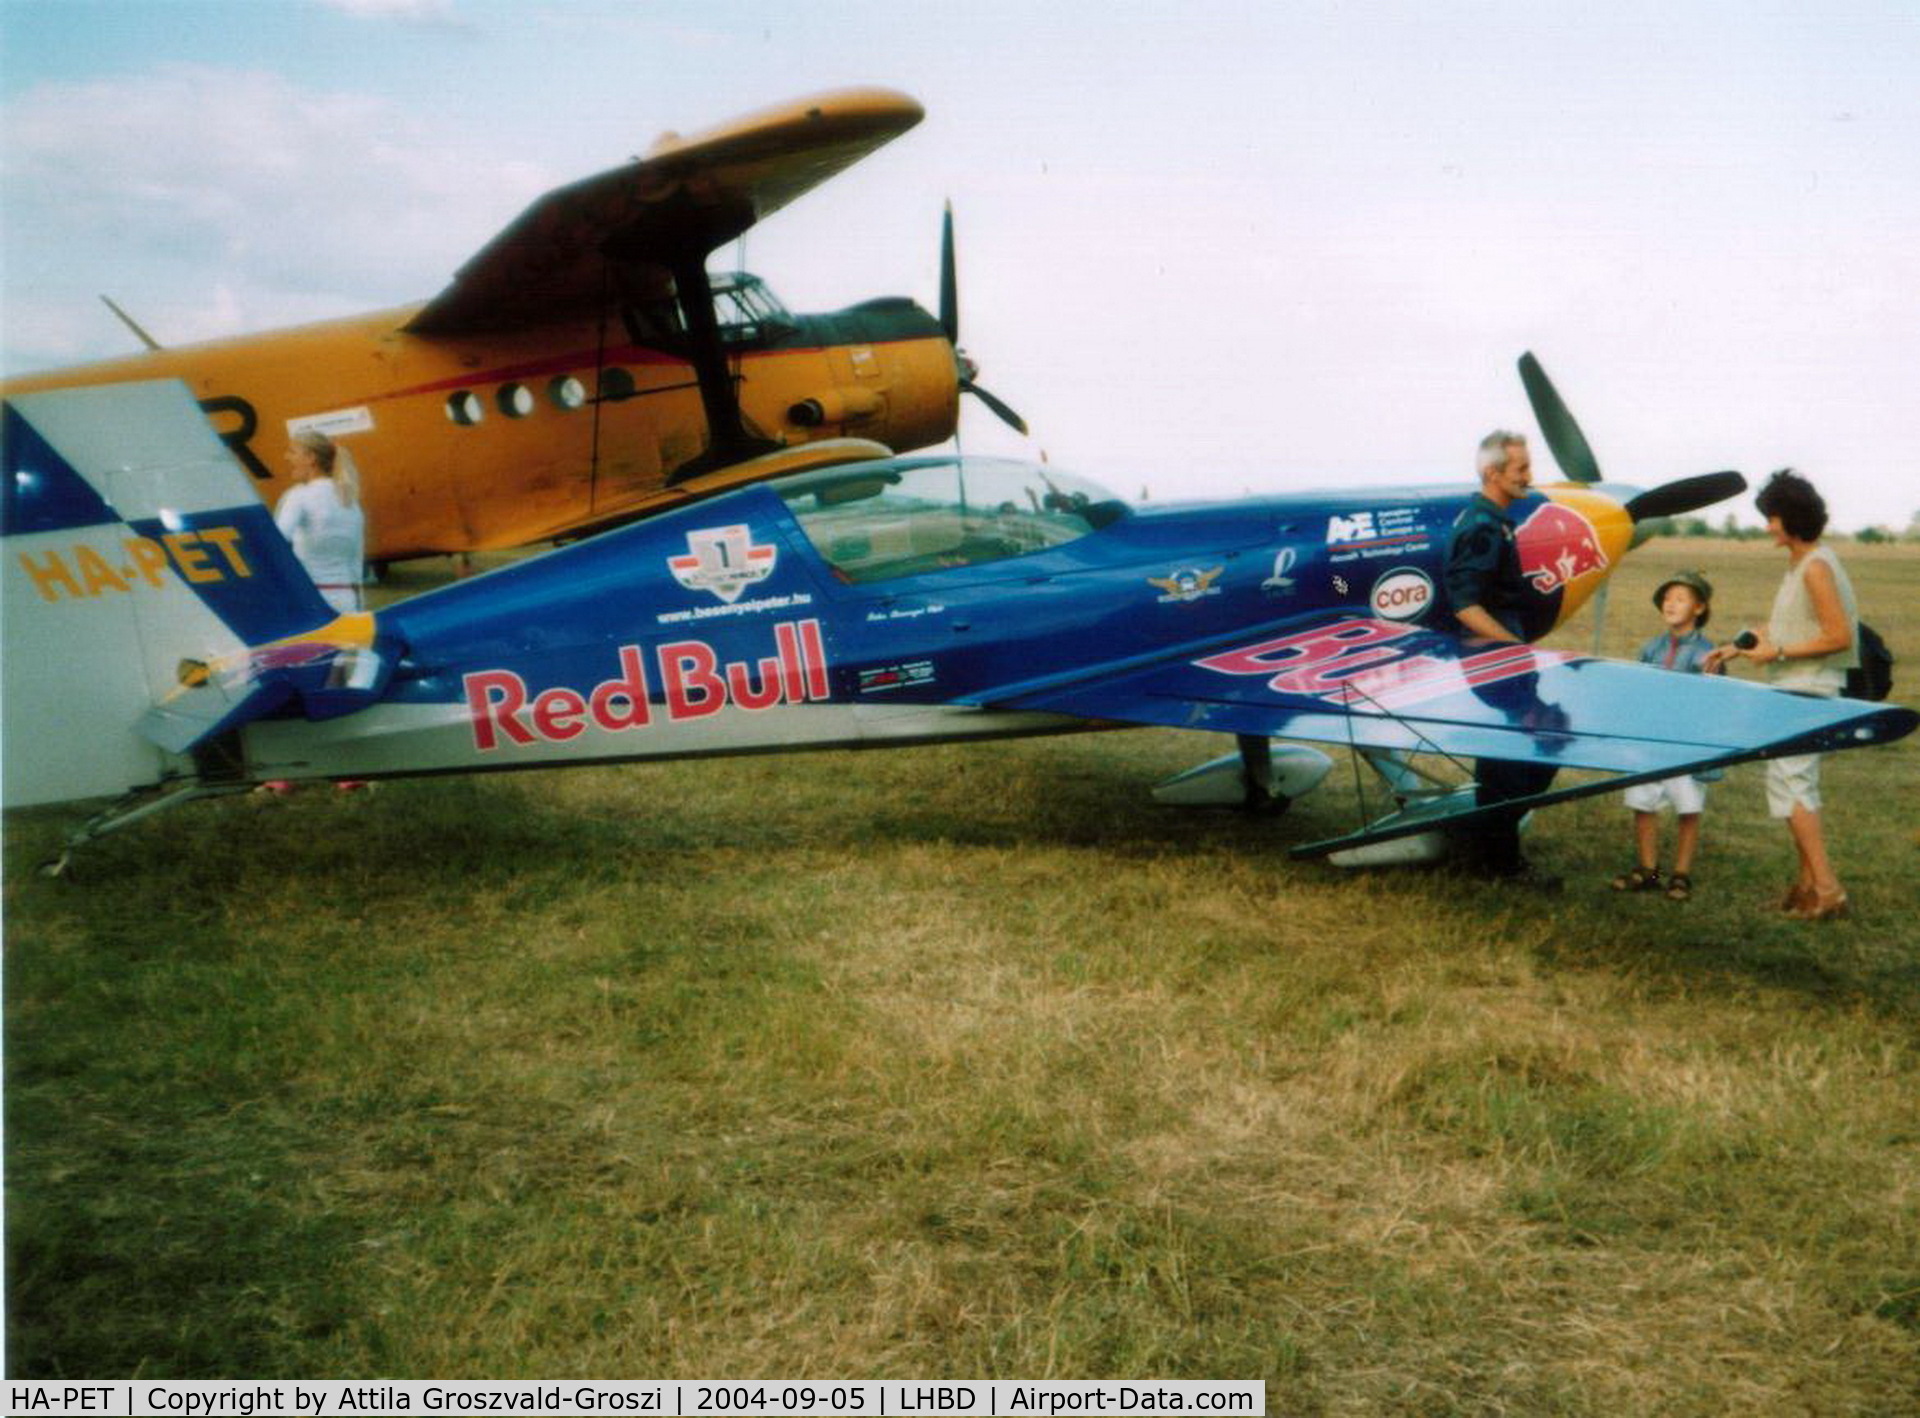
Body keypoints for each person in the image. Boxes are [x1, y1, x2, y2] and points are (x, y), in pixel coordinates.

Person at [1705, 470, 1859, 921]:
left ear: (1791, 517)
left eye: (1772, 517)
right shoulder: (1803, 563)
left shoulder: (1815, 567)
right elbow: (1795, 626)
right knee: (1791, 784)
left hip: (1808, 687)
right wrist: (1740, 646)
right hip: (1794, 686)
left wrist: (1780, 651)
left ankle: (1828, 889)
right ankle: (1808, 885)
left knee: (1793, 785)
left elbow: (1839, 636)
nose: (1767, 526)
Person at [1445, 430, 1558, 885]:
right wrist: (1514, 649)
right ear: (1493, 473)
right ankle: (1501, 863)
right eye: (1521, 469)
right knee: (1525, 753)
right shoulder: (1483, 527)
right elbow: (1465, 604)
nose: (1529, 477)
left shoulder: (1494, 520)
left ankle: (1490, 848)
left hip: (1500, 651)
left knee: (1507, 756)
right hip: (1495, 655)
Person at [1611, 571, 1722, 901]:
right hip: (1650, 743)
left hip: (1686, 745)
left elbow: (1712, 701)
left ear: (1699, 608)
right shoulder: (1651, 648)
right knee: (1643, 804)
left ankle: (1681, 874)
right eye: (1667, 598)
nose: (1671, 604)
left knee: (1688, 808)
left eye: (1681, 598)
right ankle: (1650, 871)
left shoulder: (1707, 653)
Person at [275, 429, 366, 614]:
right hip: (346, 598)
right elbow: (356, 559)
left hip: (310, 600)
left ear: (311, 458)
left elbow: (276, 543)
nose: (286, 457)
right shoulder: (350, 501)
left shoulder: (299, 495)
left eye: (292, 452)